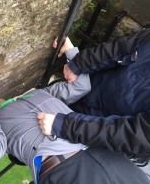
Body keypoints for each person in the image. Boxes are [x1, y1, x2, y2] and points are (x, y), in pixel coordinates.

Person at [0, 44, 149, 184]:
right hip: (96, 161)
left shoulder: (43, 94)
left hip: (78, 162)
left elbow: (82, 86)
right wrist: (72, 52)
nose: (3, 100)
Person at [38, 28, 150, 157]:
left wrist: (65, 126)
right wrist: (79, 63)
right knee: (30, 102)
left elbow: (131, 134)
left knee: (29, 140)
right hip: (87, 85)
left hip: (91, 128)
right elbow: (122, 48)